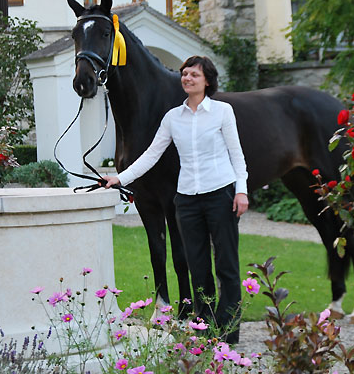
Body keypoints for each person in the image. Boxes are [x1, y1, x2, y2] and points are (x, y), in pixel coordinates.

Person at [103, 56, 248, 343]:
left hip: (221, 194)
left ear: (207, 80)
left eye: (194, 74)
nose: (187, 78)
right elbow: (151, 154)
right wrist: (121, 178)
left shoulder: (222, 112)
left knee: (227, 264)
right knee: (197, 265)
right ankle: (205, 325)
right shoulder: (172, 118)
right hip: (187, 200)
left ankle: (229, 330)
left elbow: (237, 154)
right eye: (184, 74)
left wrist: (241, 190)